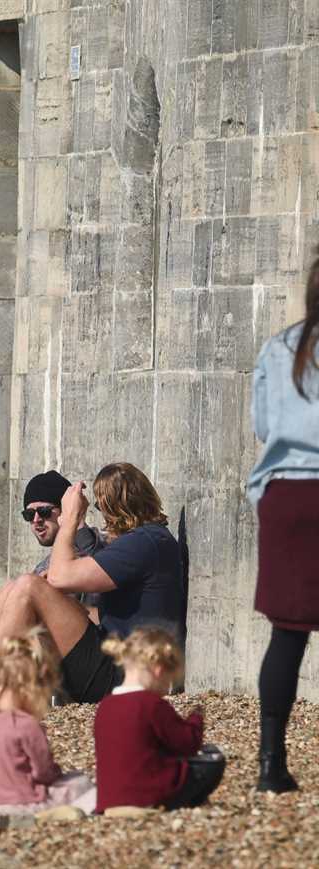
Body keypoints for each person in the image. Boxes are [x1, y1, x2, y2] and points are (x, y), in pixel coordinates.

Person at [0, 462, 185, 704]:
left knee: (29, 586)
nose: (103, 516)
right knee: (16, 588)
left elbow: (61, 577)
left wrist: (70, 518)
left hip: (125, 675)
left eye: (102, 506)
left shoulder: (143, 543)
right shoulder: (147, 542)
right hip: (116, 661)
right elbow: (105, 615)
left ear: (115, 506)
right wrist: (51, 606)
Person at [249, 258, 319, 793]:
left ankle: (271, 764)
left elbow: (264, 426)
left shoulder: (280, 347)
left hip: (285, 496)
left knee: (287, 634)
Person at [0, 471, 106, 692]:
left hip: (92, 660)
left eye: (44, 511)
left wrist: (75, 518)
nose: (36, 520)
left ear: (63, 512)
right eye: (28, 514)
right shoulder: (46, 563)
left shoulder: (94, 545)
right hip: (55, 657)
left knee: (26, 586)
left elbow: (92, 554)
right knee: (10, 590)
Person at [94, 627, 223, 811]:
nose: (166, 689)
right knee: (213, 761)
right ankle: (191, 802)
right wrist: (196, 718)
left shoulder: (105, 706)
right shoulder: (151, 704)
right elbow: (187, 743)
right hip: (150, 794)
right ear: (158, 671)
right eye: (168, 681)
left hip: (110, 799)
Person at [0, 628, 95, 815]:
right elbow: (43, 773)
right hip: (22, 802)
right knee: (82, 784)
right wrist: (58, 775)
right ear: (34, 687)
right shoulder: (25, 724)